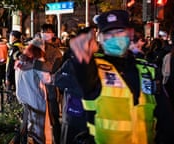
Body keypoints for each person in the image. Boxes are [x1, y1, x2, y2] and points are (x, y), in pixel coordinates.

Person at [68, 10, 174, 144]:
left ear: (130, 33)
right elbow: (84, 73)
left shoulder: (148, 70)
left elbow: (166, 119)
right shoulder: (94, 68)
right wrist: (80, 59)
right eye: (108, 34)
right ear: (100, 38)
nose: (114, 37)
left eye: (119, 32)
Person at [14, 38, 51, 144]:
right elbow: (47, 79)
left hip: (21, 98)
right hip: (35, 99)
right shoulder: (37, 63)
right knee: (37, 130)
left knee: (25, 129)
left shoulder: (20, 62)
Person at [34, 23, 63, 144]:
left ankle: (57, 139)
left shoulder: (56, 52)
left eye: (48, 31)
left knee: (53, 117)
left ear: (53, 34)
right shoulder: (36, 47)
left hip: (51, 89)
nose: (46, 33)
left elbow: (52, 70)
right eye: (44, 31)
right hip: (37, 89)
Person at [5, 30, 23, 104]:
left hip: (13, 75)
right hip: (21, 75)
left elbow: (10, 63)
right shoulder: (22, 46)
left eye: (10, 36)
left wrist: (7, 77)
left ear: (13, 37)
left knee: (11, 95)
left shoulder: (14, 48)